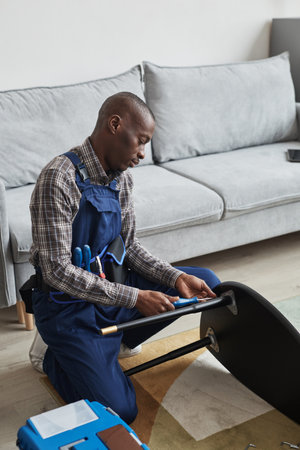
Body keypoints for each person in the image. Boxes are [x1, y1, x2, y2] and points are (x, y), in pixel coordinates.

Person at [28, 92, 220, 424]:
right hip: (66, 307)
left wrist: (174, 277)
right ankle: (53, 357)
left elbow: (128, 248)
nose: (143, 153)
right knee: (121, 411)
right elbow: (57, 271)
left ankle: (114, 342)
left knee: (206, 283)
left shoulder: (122, 180)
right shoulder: (57, 178)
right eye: (141, 141)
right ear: (115, 125)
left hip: (110, 289)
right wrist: (135, 297)